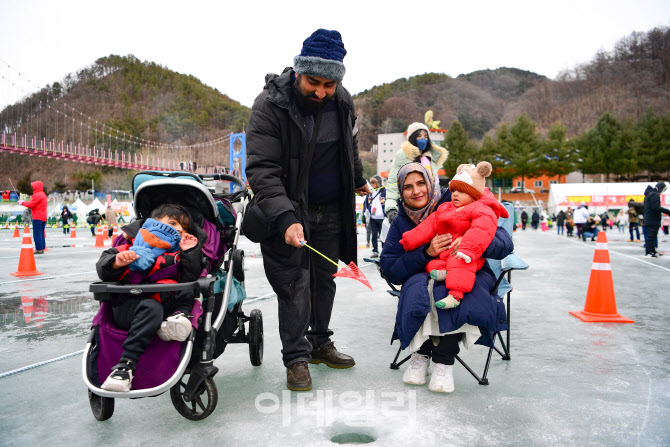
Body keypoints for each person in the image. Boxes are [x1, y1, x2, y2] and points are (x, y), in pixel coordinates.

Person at [245, 29, 371, 392]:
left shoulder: (343, 101)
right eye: (313, 81)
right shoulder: (269, 105)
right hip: (289, 209)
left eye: (328, 84)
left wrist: (359, 179)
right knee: (294, 284)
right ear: (299, 72)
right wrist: (285, 217)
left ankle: (319, 343)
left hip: (332, 209)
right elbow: (262, 170)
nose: (320, 91)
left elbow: (350, 145)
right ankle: (296, 358)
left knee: (324, 280)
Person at [380, 163, 513, 393]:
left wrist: (473, 241)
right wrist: (425, 253)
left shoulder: (460, 202)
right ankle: (420, 354)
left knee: (452, 292)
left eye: (421, 183)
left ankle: (443, 361)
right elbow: (389, 268)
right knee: (422, 289)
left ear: (431, 184)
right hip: (424, 272)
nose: (416, 191)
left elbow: (504, 243)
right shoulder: (400, 222)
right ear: (401, 192)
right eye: (408, 187)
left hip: (471, 269)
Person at [96, 204, 203, 392]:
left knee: (187, 290)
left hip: (166, 310)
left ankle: (178, 318)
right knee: (151, 307)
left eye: (184, 228)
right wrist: (117, 262)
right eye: (172, 223)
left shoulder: (178, 255)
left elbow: (191, 276)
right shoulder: (127, 247)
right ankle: (124, 367)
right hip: (129, 308)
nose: (179, 229)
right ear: (151, 223)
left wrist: (190, 253)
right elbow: (103, 268)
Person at [399, 162, 508, 309]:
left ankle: (455, 295)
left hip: (467, 255)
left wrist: (467, 246)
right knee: (433, 264)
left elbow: (482, 230)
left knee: (459, 263)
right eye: (454, 190)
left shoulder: (481, 209)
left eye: (461, 191)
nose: (455, 194)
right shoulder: (446, 207)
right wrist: (409, 240)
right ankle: (445, 273)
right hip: (446, 255)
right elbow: (430, 225)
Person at [384, 122, 449, 224]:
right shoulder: (403, 155)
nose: (423, 139)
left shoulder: (430, 157)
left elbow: (435, 182)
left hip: (431, 206)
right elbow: (393, 181)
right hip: (411, 206)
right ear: (412, 138)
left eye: (425, 136)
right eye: (419, 136)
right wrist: (391, 207)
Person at [17, 181, 47, 254]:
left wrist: (22, 202)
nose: (33, 188)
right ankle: (42, 247)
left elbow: (31, 204)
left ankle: (39, 249)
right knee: (41, 232)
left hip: (37, 217)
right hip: (43, 217)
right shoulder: (43, 194)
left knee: (37, 233)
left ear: (36, 187)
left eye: (33, 187)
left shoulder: (37, 195)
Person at [643, 182, 670, 257]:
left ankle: (651, 250)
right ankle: (648, 252)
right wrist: (667, 211)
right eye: (664, 190)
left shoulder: (649, 194)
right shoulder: (655, 195)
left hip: (649, 219)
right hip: (653, 219)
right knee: (651, 236)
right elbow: (656, 207)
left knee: (651, 236)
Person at [364, 175, 386, 258]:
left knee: (383, 236)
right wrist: (367, 211)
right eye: (371, 182)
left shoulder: (384, 191)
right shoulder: (370, 192)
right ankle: (375, 251)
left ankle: (384, 251)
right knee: (374, 235)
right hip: (373, 218)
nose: (372, 184)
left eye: (374, 182)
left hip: (382, 218)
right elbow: (366, 202)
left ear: (378, 183)